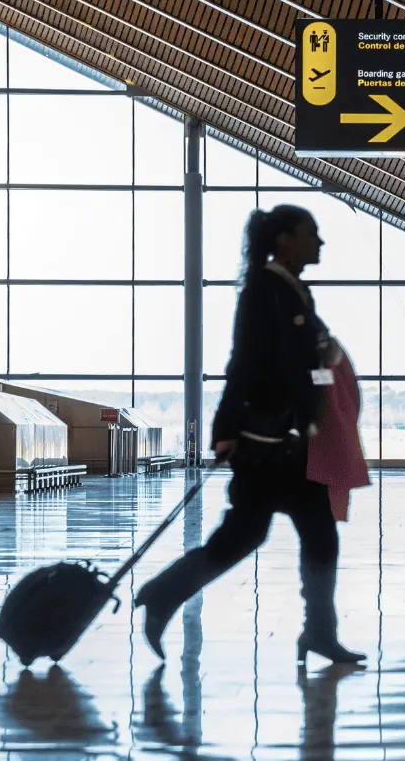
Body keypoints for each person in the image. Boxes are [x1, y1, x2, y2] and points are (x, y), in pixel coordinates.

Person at [134, 204, 365, 666]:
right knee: (243, 539)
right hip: (266, 449)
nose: (319, 242)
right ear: (284, 239)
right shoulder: (265, 289)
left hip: (292, 445)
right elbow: (243, 360)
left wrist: (325, 356)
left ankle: (319, 632)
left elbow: (305, 360)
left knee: (316, 537)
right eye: (311, 232)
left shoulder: (294, 292)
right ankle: (162, 593)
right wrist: (224, 430)